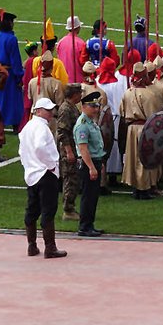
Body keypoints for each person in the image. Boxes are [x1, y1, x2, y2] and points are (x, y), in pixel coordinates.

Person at [19, 96, 68, 259]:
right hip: (45, 173)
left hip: (32, 174)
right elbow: (40, 147)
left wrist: (29, 166)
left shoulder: (27, 127)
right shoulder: (41, 128)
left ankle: (32, 246)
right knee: (48, 209)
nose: (51, 113)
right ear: (38, 111)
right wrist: (50, 165)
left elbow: (22, 151)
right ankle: (50, 247)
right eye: (48, 110)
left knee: (32, 209)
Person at [74, 90, 107, 237]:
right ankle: (85, 226)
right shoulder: (82, 125)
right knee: (88, 196)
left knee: (93, 196)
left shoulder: (90, 122)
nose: (96, 109)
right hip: (89, 163)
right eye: (92, 106)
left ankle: (89, 224)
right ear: (83, 107)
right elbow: (83, 149)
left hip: (95, 161)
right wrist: (92, 168)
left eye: (97, 106)